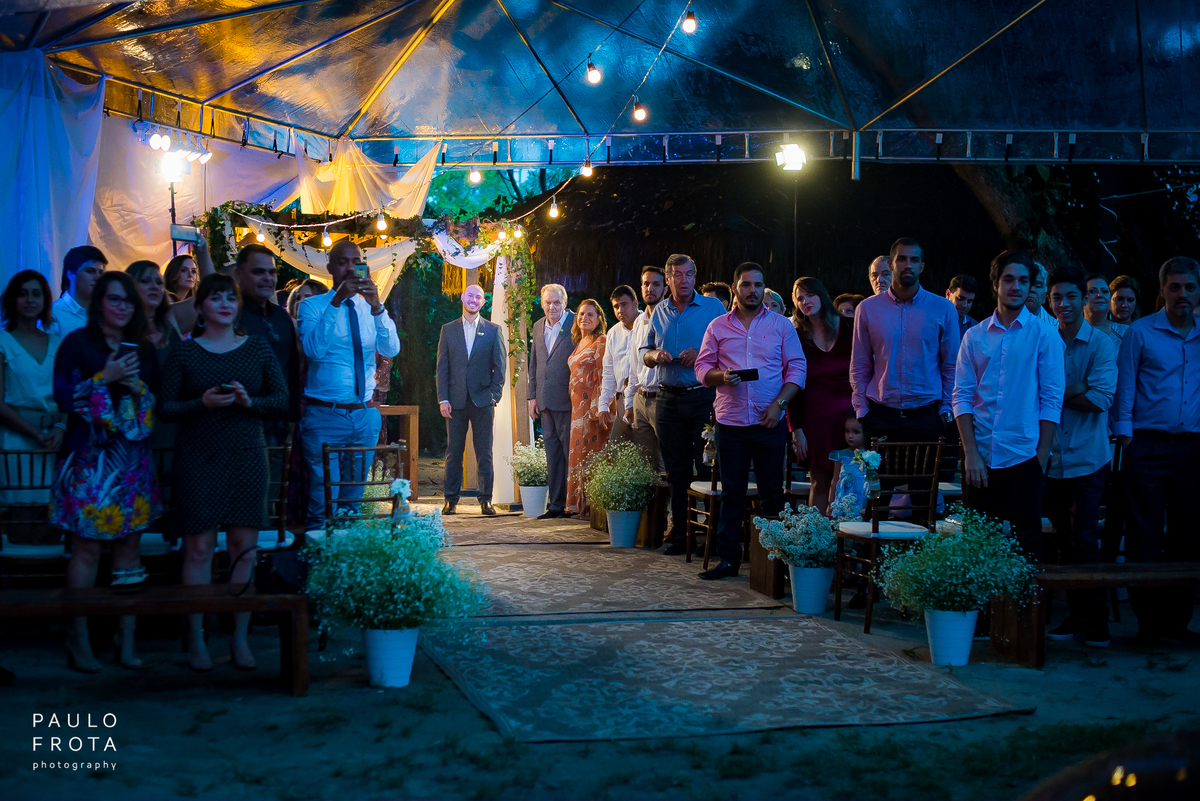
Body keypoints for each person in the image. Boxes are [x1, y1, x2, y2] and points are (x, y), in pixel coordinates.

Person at [159, 273, 288, 671]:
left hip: (248, 455)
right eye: (214, 298)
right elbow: (164, 408)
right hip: (197, 457)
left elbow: (281, 400)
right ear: (199, 308)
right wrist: (201, 403)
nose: (224, 304)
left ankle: (239, 638)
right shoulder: (184, 353)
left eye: (230, 298)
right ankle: (196, 639)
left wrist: (250, 401)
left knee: (242, 550)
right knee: (198, 548)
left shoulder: (258, 348)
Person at [51, 272, 161, 672]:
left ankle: (125, 641)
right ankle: (78, 641)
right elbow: (64, 396)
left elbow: (155, 401)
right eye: (114, 299)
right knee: (87, 548)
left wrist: (136, 390)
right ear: (99, 301)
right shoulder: (76, 344)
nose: (122, 307)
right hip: (89, 462)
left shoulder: (144, 349)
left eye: (128, 301)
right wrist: (106, 378)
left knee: (129, 549)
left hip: (131, 463)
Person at [694, 262, 804, 579]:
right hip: (730, 423)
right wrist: (721, 376)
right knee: (732, 494)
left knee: (772, 493)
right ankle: (729, 559)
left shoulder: (782, 326)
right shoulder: (717, 326)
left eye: (757, 285)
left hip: (769, 422)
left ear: (763, 288)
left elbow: (797, 369)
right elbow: (702, 368)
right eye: (745, 284)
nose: (752, 290)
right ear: (735, 289)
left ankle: (775, 561)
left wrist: (779, 405)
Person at [1111, 257, 1200, 647]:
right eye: (1175, 287)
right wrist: (1127, 440)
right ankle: (1148, 624)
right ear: (1162, 290)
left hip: (1193, 449)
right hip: (1146, 445)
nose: (1183, 294)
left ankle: (1177, 622)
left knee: (1187, 535)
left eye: (1190, 287)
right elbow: (1125, 390)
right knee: (1144, 535)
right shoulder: (1141, 333)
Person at [953, 250, 1064, 561]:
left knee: (1027, 544)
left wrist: (1041, 456)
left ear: (1031, 287)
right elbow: (961, 396)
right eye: (1009, 279)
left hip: (1025, 455)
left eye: (1024, 281)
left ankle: (1027, 610)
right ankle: (983, 611)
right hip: (982, 458)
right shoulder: (974, 337)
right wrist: (971, 453)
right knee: (978, 546)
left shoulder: (1045, 334)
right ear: (995, 284)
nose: (1016, 286)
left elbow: (1052, 399)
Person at [296, 240, 400, 529]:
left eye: (356, 261)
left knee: (352, 501)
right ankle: (318, 567)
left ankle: (347, 562)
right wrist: (336, 301)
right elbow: (313, 351)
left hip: (364, 414)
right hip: (325, 415)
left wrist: (378, 306)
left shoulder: (371, 309)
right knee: (322, 497)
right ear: (329, 267)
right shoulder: (312, 306)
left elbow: (391, 348)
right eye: (343, 262)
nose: (351, 268)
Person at [1044, 267, 1118, 648]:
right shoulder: (1045, 340)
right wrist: (1075, 387)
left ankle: (1098, 621)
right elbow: (1032, 395)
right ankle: (1075, 617)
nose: (1065, 304)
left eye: (1072, 296)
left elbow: (1100, 400)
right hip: (1052, 459)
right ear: (1049, 301)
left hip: (1089, 457)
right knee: (1062, 541)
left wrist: (1056, 392)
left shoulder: (1102, 345)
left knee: (1087, 540)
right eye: (1057, 297)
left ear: (1084, 299)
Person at [640, 254, 727, 554]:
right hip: (667, 398)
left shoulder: (713, 308)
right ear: (668, 279)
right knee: (676, 472)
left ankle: (712, 537)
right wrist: (656, 356)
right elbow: (645, 352)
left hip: (702, 396)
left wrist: (701, 352)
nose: (683, 280)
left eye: (688, 274)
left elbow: (727, 349)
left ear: (695, 276)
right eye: (677, 275)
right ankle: (680, 535)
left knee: (708, 469)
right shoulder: (659, 312)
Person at [851, 238, 960, 445]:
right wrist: (862, 410)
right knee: (880, 479)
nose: (908, 265)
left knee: (926, 478)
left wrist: (946, 409)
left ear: (922, 266)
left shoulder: (943, 309)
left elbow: (951, 365)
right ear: (891, 264)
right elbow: (860, 364)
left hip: (927, 414)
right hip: (881, 414)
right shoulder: (867, 309)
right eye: (901, 259)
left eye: (914, 259)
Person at [436, 283, 506, 516]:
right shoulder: (448, 330)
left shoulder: (493, 330)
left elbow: (500, 366)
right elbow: (442, 367)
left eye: (479, 297)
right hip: (454, 401)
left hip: (482, 400)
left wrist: (494, 396)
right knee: (453, 451)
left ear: (483, 302)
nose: (474, 300)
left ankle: (485, 500)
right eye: (470, 296)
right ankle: (450, 500)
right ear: (462, 297)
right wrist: (442, 398)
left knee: (484, 451)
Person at [788, 277, 853, 515]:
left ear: (821, 295)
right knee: (820, 481)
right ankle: (816, 541)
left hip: (851, 419)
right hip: (815, 419)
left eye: (810, 295)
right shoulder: (796, 336)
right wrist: (796, 430)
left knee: (850, 482)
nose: (806, 301)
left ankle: (847, 542)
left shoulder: (850, 326)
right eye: (800, 298)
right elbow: (791, 384)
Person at [0, 271, 63, 503]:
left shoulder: (57, 344)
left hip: (53, 441)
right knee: (20, 519)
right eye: (23, 294)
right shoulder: (2, 341)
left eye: (36, 294)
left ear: (45, 300)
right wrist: (35, 432)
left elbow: (68, 397)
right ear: (12, 300)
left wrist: (59, 429)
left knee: (50, 523)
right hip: (16, 440)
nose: (30, 300)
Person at [231, 245, 301, 439]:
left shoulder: (282, 317)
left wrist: (293, 417)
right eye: (258, 272)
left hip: (279, 425)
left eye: (272, 272)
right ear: (238, 274)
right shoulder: (230, 317)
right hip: (238, 424)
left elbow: (292, 368)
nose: (267, 278)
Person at [527, 284, 575, 519]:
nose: (552, 307)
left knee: (570, 455)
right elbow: (534, 363)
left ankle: (573, 505)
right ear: (542, 303)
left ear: (564, 303)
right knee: (552, 456)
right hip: (544, 402)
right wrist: (532, 396)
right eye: (548, 302)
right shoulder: (538, 325)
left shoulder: (577, 323)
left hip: (569, 401)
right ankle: (555, 505)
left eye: (557, 302)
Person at [565, 299, 610, 519]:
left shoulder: (600, 341)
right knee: (577, 455)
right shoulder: (578, 343)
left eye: (591, 314)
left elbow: (602, 376)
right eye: (582, 314)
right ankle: (576, 505)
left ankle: (590, 507)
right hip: (576, 409)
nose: (585, 318)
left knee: (590, 455)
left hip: (590, 408)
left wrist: (597, 408)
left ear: (600, 318)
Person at [625, 266, 666, 469]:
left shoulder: (671, 319)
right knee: (645, 464)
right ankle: (650, 503)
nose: (650, 288)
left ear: (665, 288)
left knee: (666, 460)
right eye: (646, 284)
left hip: (663, 396)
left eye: (656, 284)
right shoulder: (639, 322)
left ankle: (669, 502)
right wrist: (629, 401)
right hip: (641, 397)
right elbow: (634, 367)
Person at [598, 285, 639, 444]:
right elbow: (608, 372)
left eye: (624, 304)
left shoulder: (648, 325)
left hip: (646, 397)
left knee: (649, 454)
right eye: (616, 306)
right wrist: (604, 406)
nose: (620, 310)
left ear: (635, 303)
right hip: (623, 398)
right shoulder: (613, 333)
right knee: (616, 450)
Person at [48, 246, 106, 338]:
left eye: (101, 273)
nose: (97, 278)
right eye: (90, 271)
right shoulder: (54, 314)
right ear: (70, 274)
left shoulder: (105, 312)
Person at [829, 413, 869, 512]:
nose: (850, 436)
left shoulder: (869, 456)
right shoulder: (841, 455)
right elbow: (835, 480)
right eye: (847, 431)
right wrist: (830, 503)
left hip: (861, 498)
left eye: (856, 432)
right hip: (843, 497)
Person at [1084, 273, 1129, 342]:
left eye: (1104, 291)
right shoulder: (1069, 333)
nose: (1099, 295)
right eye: (1092, 291)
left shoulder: (1126, 332)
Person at [946, 274, 978, 340]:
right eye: (960, 299)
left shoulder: (975, 328)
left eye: (969, 302)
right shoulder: (934, 321)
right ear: (948, 294)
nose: (965, 305)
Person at [1027, 262, 1057, 328]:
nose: (1032, 289)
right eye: (1028, 284)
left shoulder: (1056, 328)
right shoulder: (1002, 322)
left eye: (1037, 286)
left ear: (1044, 296)